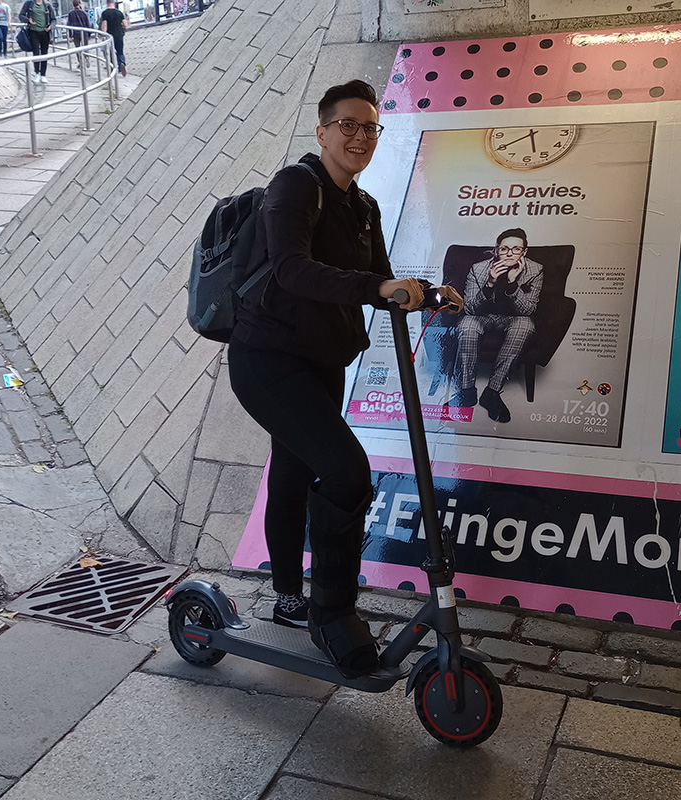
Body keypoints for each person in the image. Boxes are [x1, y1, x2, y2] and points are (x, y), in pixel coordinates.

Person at [227, 80, 460, 678]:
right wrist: (373, 288)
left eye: (369, 128)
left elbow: (376, 277)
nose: (360, 138)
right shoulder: (295, 187)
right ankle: (330, 614)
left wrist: (423, 292)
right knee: (347, 472)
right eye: (348, 126)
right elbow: (291, 269)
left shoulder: (362, 205)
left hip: (323, 360)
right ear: (322, 130)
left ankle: (286, 593)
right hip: (268, 360)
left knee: (296, 469)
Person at [451, 228, 543, 423]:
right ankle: (466, 391)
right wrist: (490, 283)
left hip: (512, 318)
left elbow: (527, 311)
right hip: (482, 316)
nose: (510, 253)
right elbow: (469, 309)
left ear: (524, 252)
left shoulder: (535, 270)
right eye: (504, 249)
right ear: (496, 250)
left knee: (525, 325)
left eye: (516, 249)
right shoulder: (479, 269)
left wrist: (512, 284)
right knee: (467, 325)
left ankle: (492, 392)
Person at [19, 0, 56, 84]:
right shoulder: (29, 3)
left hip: (45, 32)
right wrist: (28, 20)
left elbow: (53, 19)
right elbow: (21, 16)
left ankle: (43, 75)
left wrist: (51, 27)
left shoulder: (47, 5)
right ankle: (37, 73)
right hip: (33, 32)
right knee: (36, 53)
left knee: (44, 54)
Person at [100, 0, 127, 77]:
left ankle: (112, 68)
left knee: (110, 52)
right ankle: (122, 63)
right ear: (114, 3)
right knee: (120, 51)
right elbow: (125, 24)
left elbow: (105, 26)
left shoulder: (105, 13)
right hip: (119, 35)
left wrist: (103, 34)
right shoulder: (119, 12)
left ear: (107, 3)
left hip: (110, 36)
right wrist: (121, 28)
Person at [66, 0, 92, 65]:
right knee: (86, 47)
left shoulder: (70, 13)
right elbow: (88, 24)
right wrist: (89, 34)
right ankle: (86, 59)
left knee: (77, 48)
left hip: (76, 33)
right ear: (79, 4)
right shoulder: (84, 13)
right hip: (84, 33)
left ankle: (80, 62)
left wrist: (70, 35)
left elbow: (69, 25)